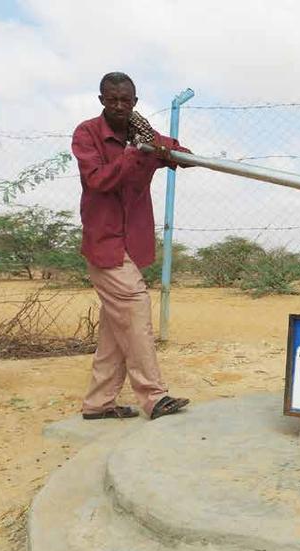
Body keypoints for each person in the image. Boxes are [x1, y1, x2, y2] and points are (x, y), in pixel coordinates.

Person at [71, 71, 190, 420]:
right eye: (112, 99)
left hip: (132, 244)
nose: (119, 106)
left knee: (115, 329)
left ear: (135, 102)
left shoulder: (144, 134)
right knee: (136, 306)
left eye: (126, 100)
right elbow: (97, 181)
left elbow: (178, 154)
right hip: (104, 244)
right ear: (101, 100)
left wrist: (171, 151)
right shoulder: (87, 134)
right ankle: (154, 396)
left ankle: (97, 403)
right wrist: (134, 152)